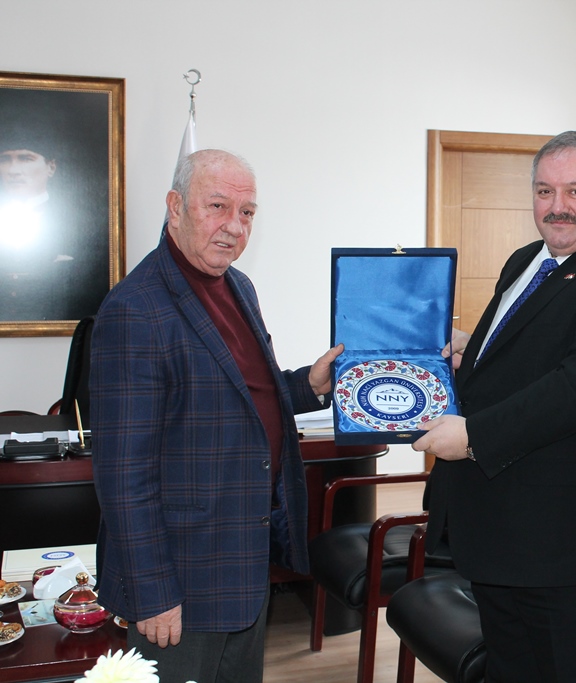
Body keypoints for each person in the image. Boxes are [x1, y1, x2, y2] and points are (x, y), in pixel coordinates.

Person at [411, 131, 576, 682]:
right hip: (503, 533)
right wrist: (471, 351)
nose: (557, 206)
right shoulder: (528, 259)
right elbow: (530, 352)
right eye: (544, 191)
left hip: (572, 545)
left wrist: (474, 435)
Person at [90, 149, 343, 682]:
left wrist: (308, 385)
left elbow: (238, 396)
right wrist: (153, 592)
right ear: (175, 206)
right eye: (218, 206)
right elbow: (123, 475)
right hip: (179, 580)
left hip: (242, 558)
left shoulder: (238, 286)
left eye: (247, 212)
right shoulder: (135, 309)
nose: (234, 226)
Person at [0, 123, 109, 321]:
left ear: (51, 167)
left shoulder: (83, 226)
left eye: (25, 158)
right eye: (5, 159)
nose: (13, 170)